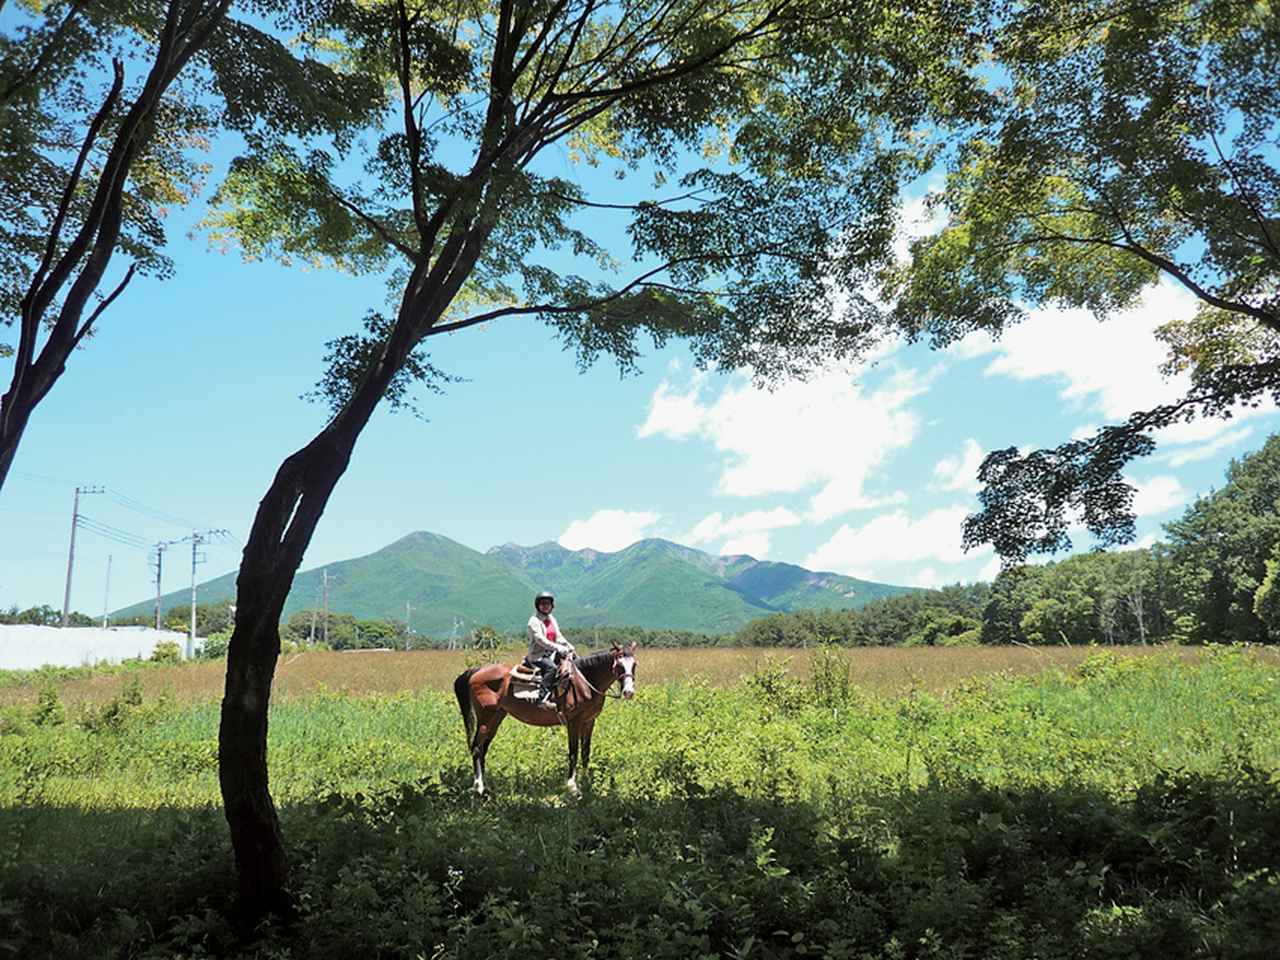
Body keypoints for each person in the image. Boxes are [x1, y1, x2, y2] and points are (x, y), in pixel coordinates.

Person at [525, 591, 574, 704]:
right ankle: (542, 697)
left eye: (548, 604)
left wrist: (568, 645)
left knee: (574, 661)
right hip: (538, 655)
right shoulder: (534, 621)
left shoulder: (551, 618)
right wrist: (557, 647)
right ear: (538, 605)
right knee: (551, 668)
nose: (546, 606)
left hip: (552, 653)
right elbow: (541, 640)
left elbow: (558, 636)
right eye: (543, 604)